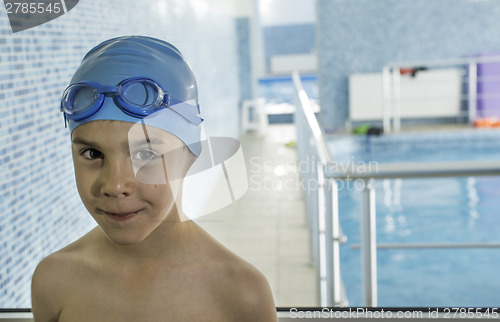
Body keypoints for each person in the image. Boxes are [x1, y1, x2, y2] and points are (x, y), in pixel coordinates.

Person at [31, 36, 277, 322]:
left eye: (146, 155)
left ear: (189, 154)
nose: (114, 185)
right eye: (92, 152)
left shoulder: (241, 294)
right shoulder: (55, 279)